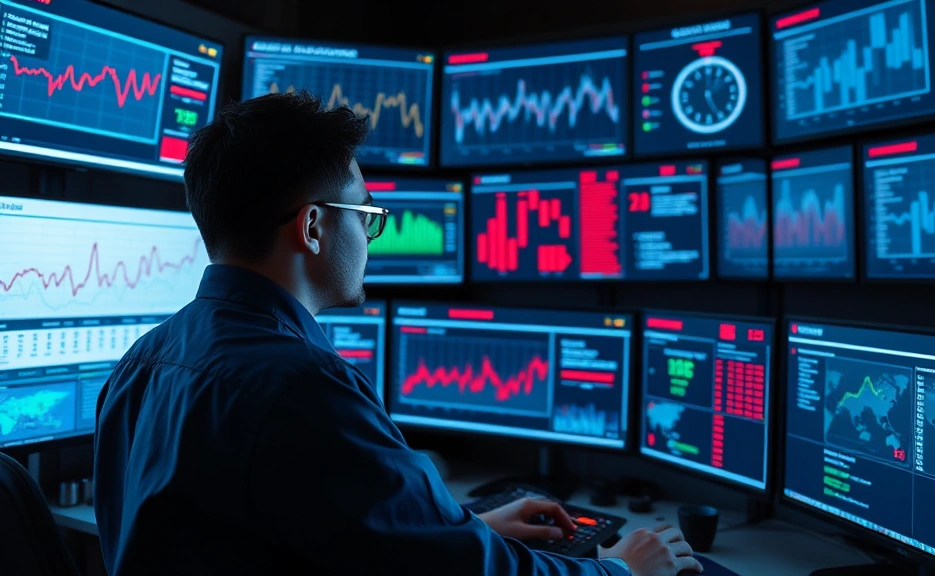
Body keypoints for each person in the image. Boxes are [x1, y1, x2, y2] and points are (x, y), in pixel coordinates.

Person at [93, 91, 704, 576]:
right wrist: (621, 568)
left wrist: (468, 527)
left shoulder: (138, 366)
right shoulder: (306, 387)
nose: (370, 238)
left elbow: (273, 535)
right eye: (365, 216)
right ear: (312, 227)